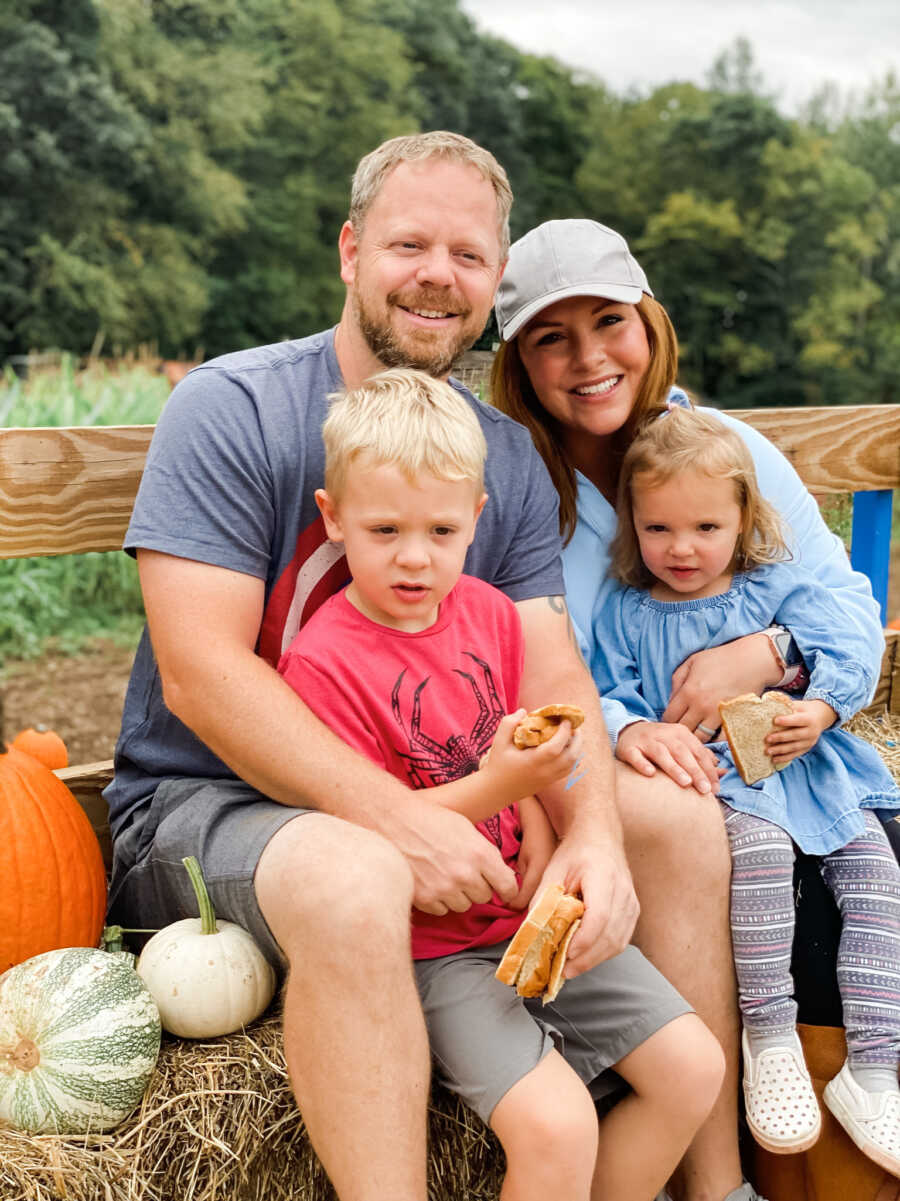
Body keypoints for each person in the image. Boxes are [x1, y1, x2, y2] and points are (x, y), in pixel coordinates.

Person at [104, 134, 643, 1201]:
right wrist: (398, 821)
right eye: (409, 243)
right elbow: (201, 675)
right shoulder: (237, 409)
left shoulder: (501, 461)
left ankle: (702, 1176)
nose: (438, 273)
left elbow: (554, 681)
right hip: (202, 809)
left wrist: (597, 836)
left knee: (669, 818)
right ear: (352, 252)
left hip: (444, 801)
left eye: (470, 255)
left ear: (493, 286)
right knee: (360, 874)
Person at [490, 219, 886, 1201]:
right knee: (711, 841)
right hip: (606, 747)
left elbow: (839, 602)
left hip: (775, 745)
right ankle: (735, 1178)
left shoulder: (726, 447)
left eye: (609, 322)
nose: (589, 358)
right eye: (551, 335)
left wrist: (772, 652)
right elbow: (526, 663)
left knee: (869, 862)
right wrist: (630, 729)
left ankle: (859, 1113)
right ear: (517, 360)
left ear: (649, 324)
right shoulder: (516, 484)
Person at [275, 367, 724, 1201]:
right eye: (385, 530)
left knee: (694, 1067)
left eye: (441, 530)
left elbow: (527, 752)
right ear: (334, 520)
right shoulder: (322, 663)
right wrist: (500, 781)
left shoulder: (487, 612)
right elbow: (377, 831)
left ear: (476, 520)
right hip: (436, 951)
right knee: (558, 1126)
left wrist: (550, 845)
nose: (416, 557)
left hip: (529, 916)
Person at [595, 405, 900, 1176]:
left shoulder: (773, 588)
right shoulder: (627, 612)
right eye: (658, 529)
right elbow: (604, 691)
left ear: (743, 518)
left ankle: (875, 1066)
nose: (683, 548)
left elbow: (841, 641)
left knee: (876, 875)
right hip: (725, 784)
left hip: (809, 768)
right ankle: (770, 1040)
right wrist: (628, 730)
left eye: (705, 526)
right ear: (632, 524)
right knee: (759, 860)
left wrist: (820, 708)